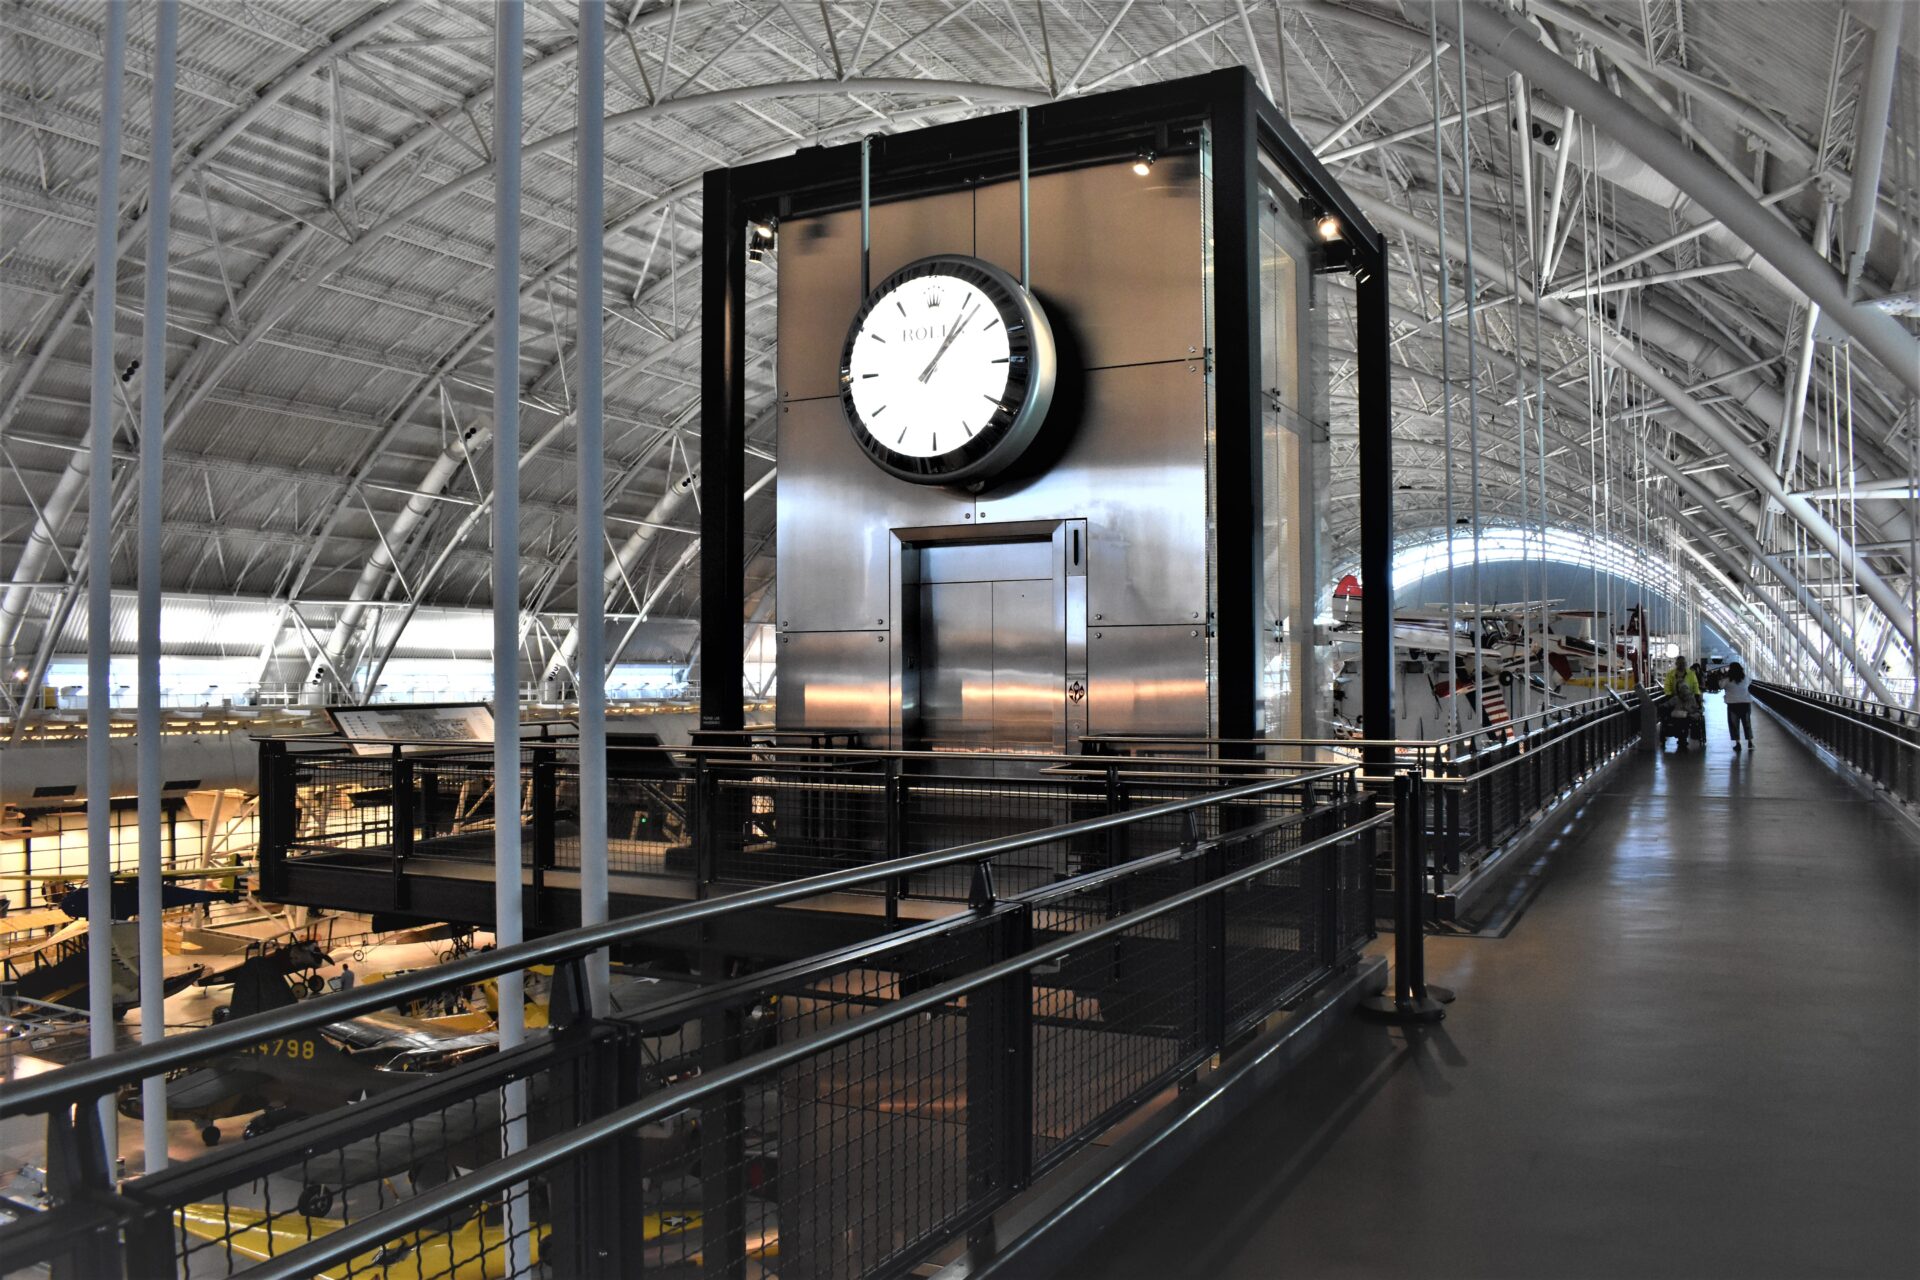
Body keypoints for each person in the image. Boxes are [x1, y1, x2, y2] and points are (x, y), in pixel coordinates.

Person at [1664, 655, 1702, 749]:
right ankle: (1682, 737)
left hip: (1689, 697)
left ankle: (1682, 737)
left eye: (1683, 663)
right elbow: (1667, 685)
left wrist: (1696, 696)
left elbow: (1695, 685)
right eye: (1680, 663)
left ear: (1685, 664)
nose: (1681, 665)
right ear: (1676, 664)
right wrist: (1669, 695)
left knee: (1683, 717)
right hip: (1675, 696)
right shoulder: (1671, 674)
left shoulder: (1691, 673)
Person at [1722, 661, 1755, 750]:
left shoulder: (1727, 680)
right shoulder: (1745, 678)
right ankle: (1750, 742)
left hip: (1732, 704)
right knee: (1747, 723)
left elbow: (1720, 685)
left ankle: (1738, 743)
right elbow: (1749, 682)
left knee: (1734, 724)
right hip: (1745, 703)